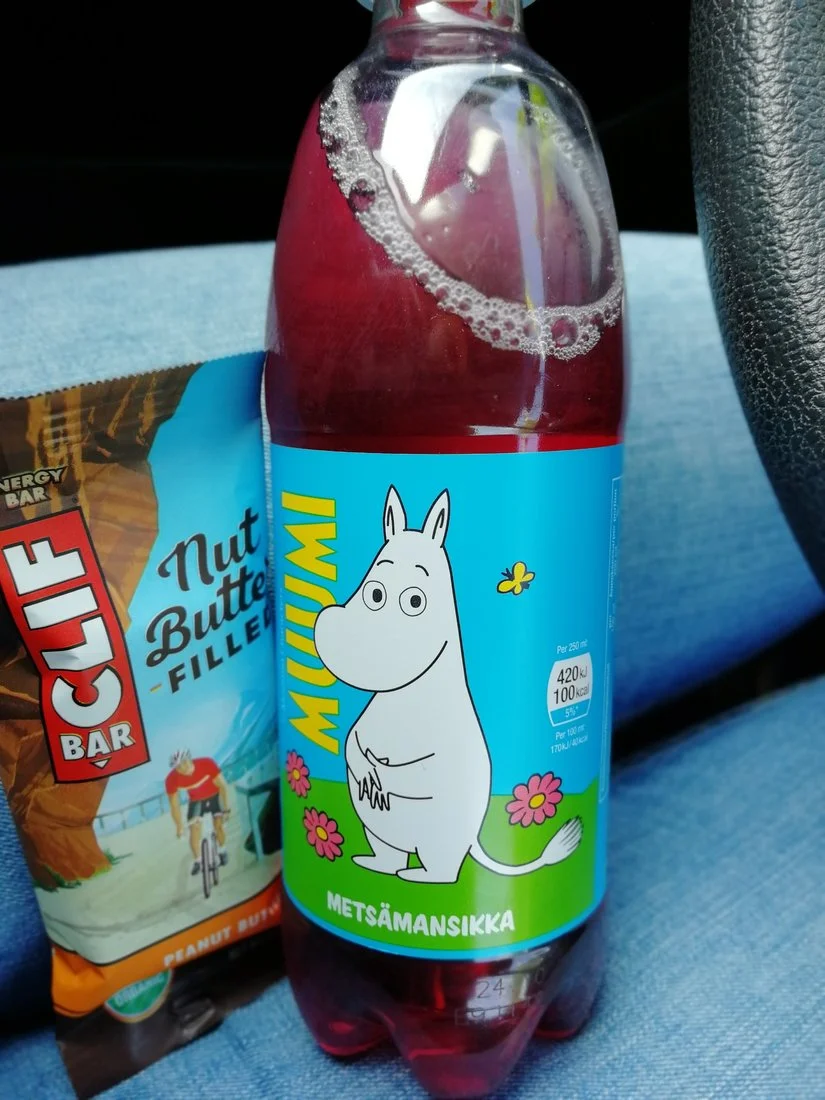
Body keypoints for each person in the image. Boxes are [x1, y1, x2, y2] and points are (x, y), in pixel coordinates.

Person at [165, 749, 230, 876]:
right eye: (178, 767)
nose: (183, 768)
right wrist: (179, 826)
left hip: (215, 796)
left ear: (190, 759)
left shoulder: (206, 763)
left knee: (218, 826)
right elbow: (174, 805)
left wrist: (226, 809)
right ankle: (198, 861)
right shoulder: (172, 779)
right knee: (194, 830)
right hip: (196, 801)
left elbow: (222, 786)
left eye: (185, 763)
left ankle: (222, 850)